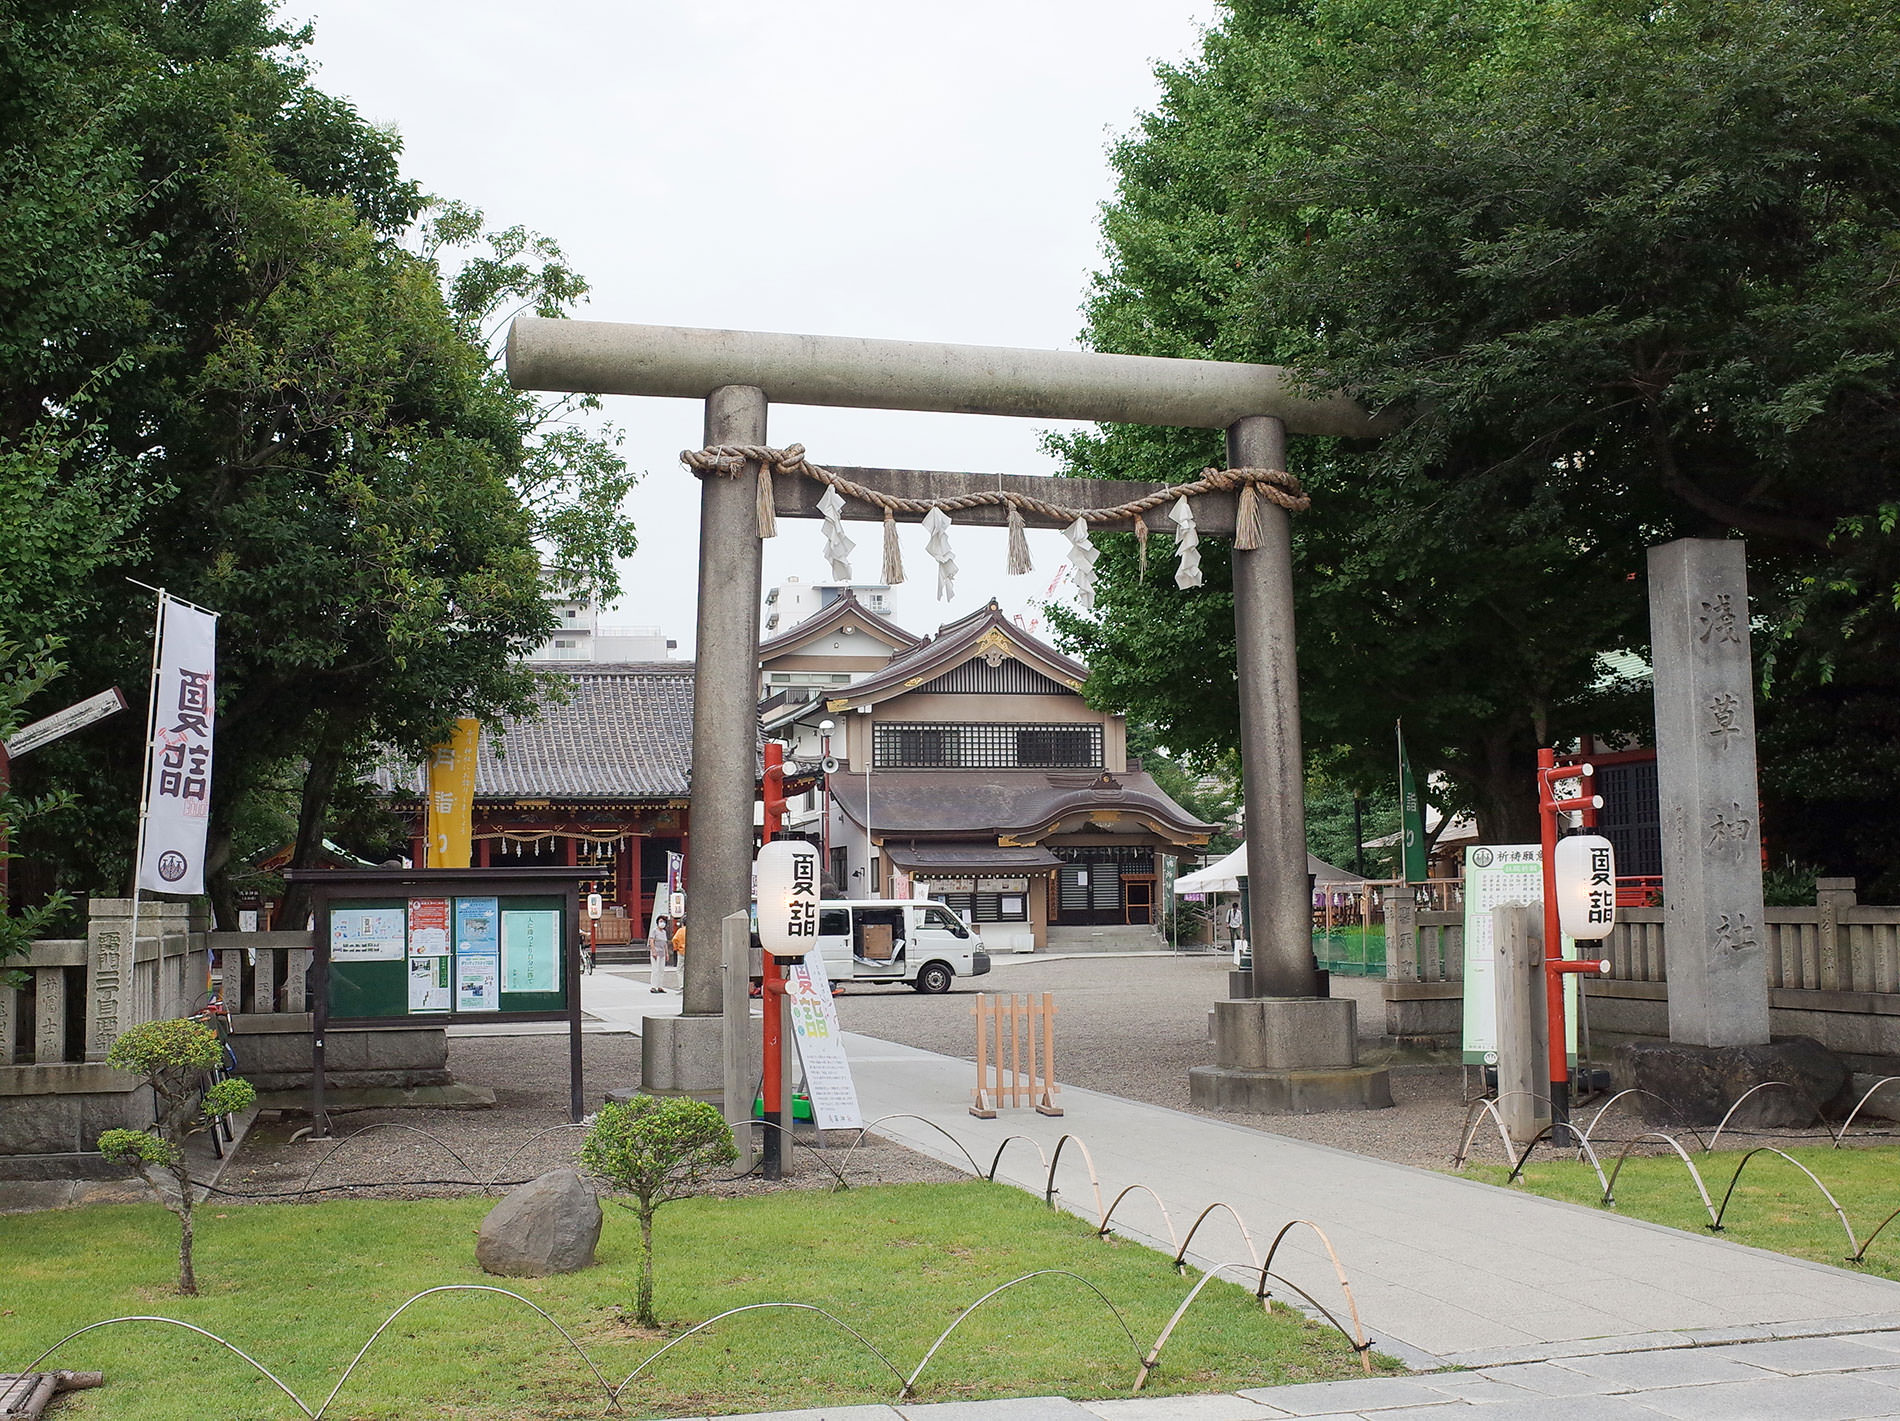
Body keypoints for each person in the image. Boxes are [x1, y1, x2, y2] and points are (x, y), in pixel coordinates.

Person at [647, 915, 669, 993]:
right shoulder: (654, 931)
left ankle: (660, 986)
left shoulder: (664, 932)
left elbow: (665, 943)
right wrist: (653, 951)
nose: (662, 923)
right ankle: (653, 986)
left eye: (663, 921)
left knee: (661, 970)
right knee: (655, 970)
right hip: (656, 952)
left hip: (662, 953)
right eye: (660, 921)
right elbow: (651, 941)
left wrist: (667, 953)